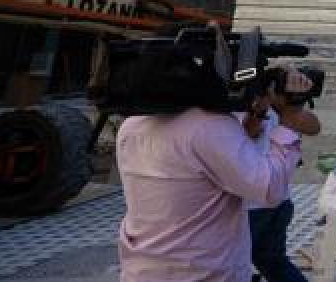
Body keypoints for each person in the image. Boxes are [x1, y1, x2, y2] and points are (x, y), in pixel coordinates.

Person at [116, 68, 314, 281]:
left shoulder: (131, 126)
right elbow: (270, 187)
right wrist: (291, 118)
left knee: (272, 261)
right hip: (201, 272)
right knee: (273, 261)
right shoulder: (211, 126)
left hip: (143, 269)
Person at [241, 68, 321, 282]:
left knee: (242, 262)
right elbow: (249, 132)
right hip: (277, 203)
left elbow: (314, 126)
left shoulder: (282, 112)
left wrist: (292, 105)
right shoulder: (254, 108)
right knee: (273, 262)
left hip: (254, 207)